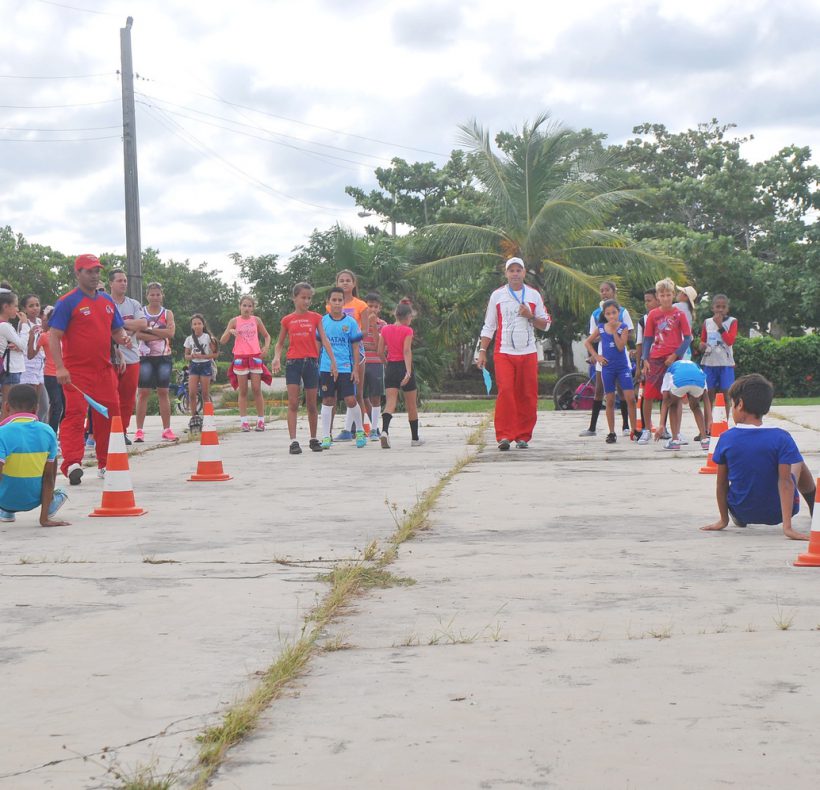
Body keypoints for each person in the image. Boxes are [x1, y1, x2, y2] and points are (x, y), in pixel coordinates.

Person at [701, 374, 815, 540]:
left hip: (740, 510)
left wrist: (723, 520)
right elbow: (785, 482)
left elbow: (722, 483)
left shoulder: (726, 438)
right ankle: (814, 507)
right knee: (797, 461)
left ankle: (736, 517)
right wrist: (787, 527)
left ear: (740, 404)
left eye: (732, 405)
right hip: (778, 513)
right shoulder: (781, 437)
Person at [49, 254, 130, 484]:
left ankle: (107, 462)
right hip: (76, 372)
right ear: (78, 274)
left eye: (97, 271)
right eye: (89, 271)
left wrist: (123, 339)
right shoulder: (67, 301)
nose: (94, 276)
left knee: (110, 414)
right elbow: (54, 336)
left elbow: (116, 331)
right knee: (75, 413)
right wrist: (60, 367)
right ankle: (72, 463)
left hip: (104, 369)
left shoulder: (106, 301)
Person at [477, 257, 551, 451]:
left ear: (524, 273)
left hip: (528, 352)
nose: (515, 274)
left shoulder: (534, 295)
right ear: (506, 274)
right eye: (512, 270)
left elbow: (546, 324)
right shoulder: (497, 296)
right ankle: (504, 435)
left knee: (527, 394)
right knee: (506, 392)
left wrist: (530, 316)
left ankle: (523, 436)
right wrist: (482, 350)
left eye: (519, 270)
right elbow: (489, 325)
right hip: (504, 352)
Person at [271, 283, 336, 454]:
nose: (306, 301)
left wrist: (333, 361)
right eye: (303, 297)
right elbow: (279, 344)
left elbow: (324, 340)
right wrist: (277, 358)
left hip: (311, 363)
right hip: (293, 362)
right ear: (295, 298)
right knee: (293, 402)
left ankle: (314, 439)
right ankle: (293, 441)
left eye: (309, 298)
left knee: (312, 403)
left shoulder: (316, 317)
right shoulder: (287, 320)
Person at [0, 384, 69, 526]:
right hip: (33, 501)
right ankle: (47, 511)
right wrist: (44, 520)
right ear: (36, 408)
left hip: (4, 500)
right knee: (62, 491)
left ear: (6, 407)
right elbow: (49, 478)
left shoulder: (2, 432)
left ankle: (7, 513)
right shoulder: (48, 431)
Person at [639, 277, 692, 449]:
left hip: (674, 360)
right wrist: (645, 359)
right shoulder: (653, 315)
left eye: (668, 294)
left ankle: (674, 433)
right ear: (658, 296)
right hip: (655, 358)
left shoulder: (679, 314)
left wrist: (676, 355)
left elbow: (688, 338)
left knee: (673, 396)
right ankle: (647, 429)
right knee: (648, 394)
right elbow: (647, 338)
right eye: (662, 295)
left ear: (673, 295)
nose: (666, 298)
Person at [579, 281, 634, 438]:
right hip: (603, 359)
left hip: (620, 357)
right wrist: (595, 355)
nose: (604, 293)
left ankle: (626, 426)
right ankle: (593, 427)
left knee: (624, 391)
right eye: (601, 290)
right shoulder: (596, 314)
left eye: (607, 290)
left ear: (614, 291)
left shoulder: (622, 312)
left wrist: (618, 334)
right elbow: (592, 338)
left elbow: (628, 332)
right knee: (600, 391)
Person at [318, 287, 363, 449]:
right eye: (334, 300)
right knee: (328, 399)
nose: (337, 303)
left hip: (345, 367)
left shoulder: (350, 322)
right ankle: (325, 436)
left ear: (344, 302)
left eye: (340, 300)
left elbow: (356, 347)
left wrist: (355, 369)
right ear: (328, 302)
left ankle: (359, 431)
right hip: (326, 367)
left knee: (350, 400)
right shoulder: (323, 321)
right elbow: (319, 345)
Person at [107, 269, 147, 444]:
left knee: (128, 398)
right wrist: (128, 327)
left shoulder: (133, 304)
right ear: (110, 283)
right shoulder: (104, 302)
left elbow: (143, 323)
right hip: (109, 357)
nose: (123, 283)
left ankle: (121, 431)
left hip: (132, 357)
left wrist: (118, 323)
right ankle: (103, 433)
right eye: (119, 280)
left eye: (125, 280)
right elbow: (104, 325)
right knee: (109, 397)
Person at [330, 269, 370, 440]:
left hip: (355, 353)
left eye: (348, 280)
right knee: (331, 395)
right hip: (336, 354)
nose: (345, 283)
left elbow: (366, 330)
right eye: (341, 280)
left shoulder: (362, 306)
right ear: (337, 283)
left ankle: (361, 432)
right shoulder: (331, 305)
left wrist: (351, 337)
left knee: (357, 394)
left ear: (354, 284)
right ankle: (327, 433)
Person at [377, 301, 425, 449]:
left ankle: (384, 431)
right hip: (404, 367)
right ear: (408, 316)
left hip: (391, 367)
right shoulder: (407, 330)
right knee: (411, 405)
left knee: (390, 402)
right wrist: (408, 371)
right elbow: (406, 351)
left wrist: (387, 364)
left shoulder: (385, 329)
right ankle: (415, 438)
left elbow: (379, 352)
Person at [220, 295, 271, 432]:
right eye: (244, 305)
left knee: (256, 388)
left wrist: (266, 347)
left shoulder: (256, 320)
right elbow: (222, 340)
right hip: (240, 357)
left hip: (255, 356)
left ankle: (261, 420)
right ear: (240, 306)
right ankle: (244, 422)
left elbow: (267, 335)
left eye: (249, 306)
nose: (247, 308)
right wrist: (230, 332)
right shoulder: (234, 321)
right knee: (242, 390)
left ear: (253, 308)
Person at [134, 282, 177, 442]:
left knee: (163, 392)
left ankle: (167, 428)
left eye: (158, 294)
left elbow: (171, 333)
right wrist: (159, 334)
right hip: (145, 356)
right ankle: (139, 430)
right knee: (143, 392)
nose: (155, 297)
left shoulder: (167, 313)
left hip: (163, 356)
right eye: (152, 294)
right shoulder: (141, 312)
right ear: (147, 296)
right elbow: (137, 334)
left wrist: (150, 330)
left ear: (162, 295)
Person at [656, 360, 711, 450]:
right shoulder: (697, 368)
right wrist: (710, 420)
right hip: (698, 382)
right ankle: (705, 440)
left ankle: (675, 441)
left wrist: (661, 424)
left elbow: (665, 399)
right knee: (696, 406)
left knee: (673, 405)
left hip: (680, 382)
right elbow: (706, 397)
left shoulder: (669, 371)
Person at [700, 293, 737, 415]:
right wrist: (702, 346)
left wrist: (720, 325)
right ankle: (708, 426)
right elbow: (703, 340)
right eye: (717, 306)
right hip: (709, 363)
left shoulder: (732, 322)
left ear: (727, 309)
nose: (720, 309)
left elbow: (730, 341)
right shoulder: (707, 322)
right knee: (708, 395)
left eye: (723, 307)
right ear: (712, 308)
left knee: (726, 394)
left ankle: (723, 423)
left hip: (726, 363)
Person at [30, 306, 64, 434]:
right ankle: (52, 435)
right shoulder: (45, 336)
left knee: (64, 407)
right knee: (57, 406)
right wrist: (31, 338)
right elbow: (31, 354)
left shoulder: (66, 335)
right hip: (50, 375)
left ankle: (60, 434)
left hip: (65, 375)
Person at [183, 314, 219, 432]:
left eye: (199, 323)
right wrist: (192, 356)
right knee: (192, 392)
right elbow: (186, 356)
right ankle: (194, 417)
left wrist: (202, 356)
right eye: (195, 324)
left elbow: (215, 354)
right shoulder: (189, 339)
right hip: (194, 366)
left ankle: (209, 418)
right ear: (192, 326)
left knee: (205, 393)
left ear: (203, 325)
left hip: (205, 365)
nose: (197, 326)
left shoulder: (208, 338)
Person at [362, 292, 387, 442]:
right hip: (361, 362)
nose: (372, 309)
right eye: (369, 306)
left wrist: (372, 326)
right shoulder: (358, 322)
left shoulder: (383, 325)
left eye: (375, 307)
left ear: (379, 308)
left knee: (375, 396)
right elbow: (359, 343)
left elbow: (378, 346)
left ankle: (374, 429)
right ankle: (369, 426)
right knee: (361, 396)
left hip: (376, 363)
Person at [0, 292, 29, 418]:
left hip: (7, 368)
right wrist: (25, 325)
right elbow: (23, 345)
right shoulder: (5, 326)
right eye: (15, 306)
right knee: (8, 405)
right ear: (6, 307)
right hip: (9, 370)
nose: (17, 309)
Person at [635, 288, 659, 433]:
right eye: (645, 301)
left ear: (658, 300)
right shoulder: (643, 320)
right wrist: (639, 365)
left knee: (667, 395)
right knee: (646, 394)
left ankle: (665, 427)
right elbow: (640, 343)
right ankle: (645, 427)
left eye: (649, 300)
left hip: (664, 361)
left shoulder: (670, 316)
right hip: (649, 361)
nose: (647, 304)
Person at [19, 295, 44, 397]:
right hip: (28, 364)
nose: (35, 308)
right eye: (31, 306)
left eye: (37, 305)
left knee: (40, 402)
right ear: (25, 309)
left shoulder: (40, 321)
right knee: (31, 398)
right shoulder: (24, 323)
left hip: (40, 364)